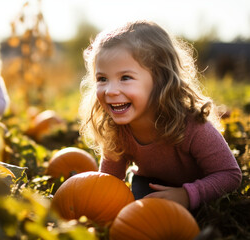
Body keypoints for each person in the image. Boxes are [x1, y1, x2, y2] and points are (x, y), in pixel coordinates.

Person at [79, 20, 242, 210]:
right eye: (102, 79)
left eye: (125, 78)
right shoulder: (116, 129)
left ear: (160, 80)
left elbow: (229, 174)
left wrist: (187, 195)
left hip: (198, 186)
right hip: (150, 184)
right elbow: (109, 180)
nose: (111, 90)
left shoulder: (191, 126)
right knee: (141, 205)